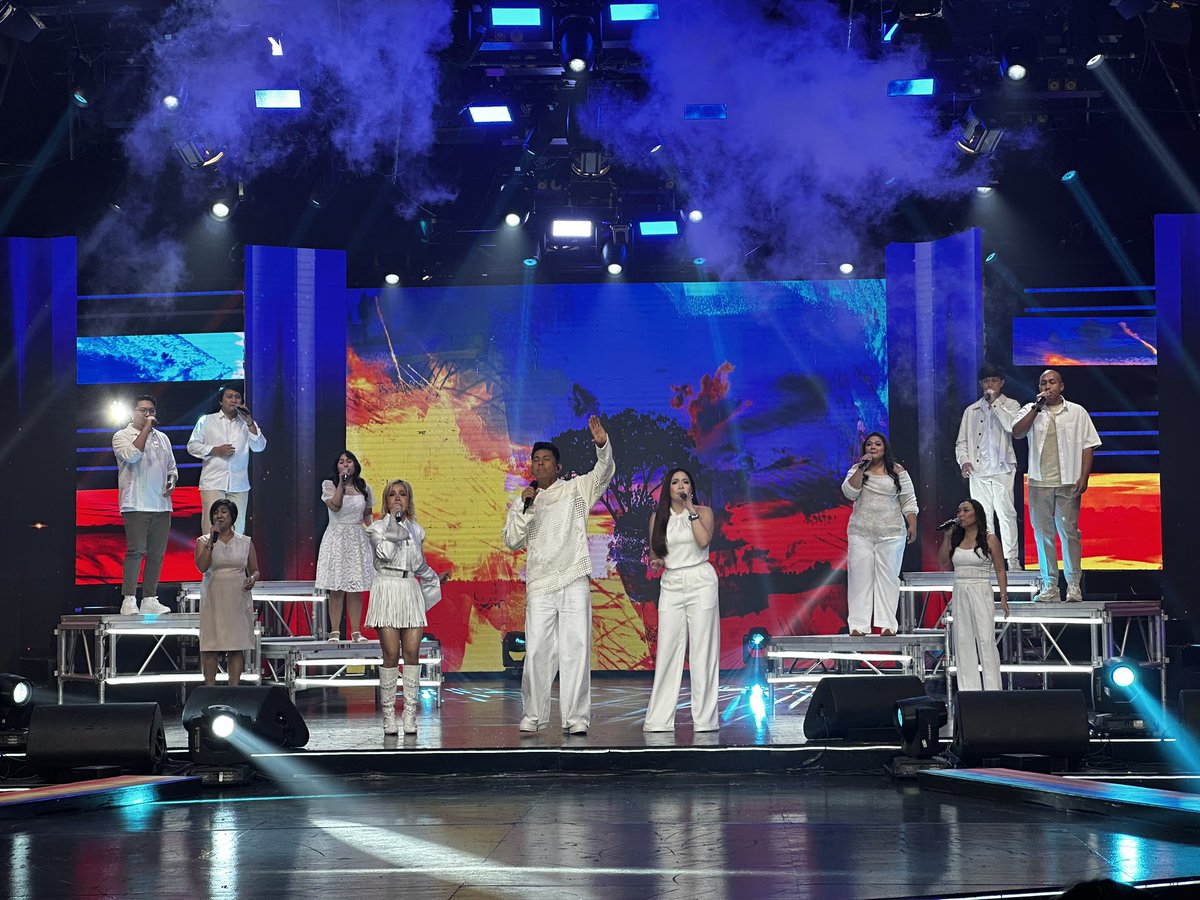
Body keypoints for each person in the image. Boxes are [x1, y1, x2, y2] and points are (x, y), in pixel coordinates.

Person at [503, 415, 614, 736]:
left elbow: (604, 472)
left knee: (576, 648)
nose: (539, 465)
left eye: (546, 460)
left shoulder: (576, 490)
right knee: (537, 650)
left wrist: (602, 445)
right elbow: (511, 540)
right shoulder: (523, 500)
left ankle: (576, 718)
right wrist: (526, 509)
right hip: (540, 582)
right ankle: (533, 714)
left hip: (574, 576)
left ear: (558, 466)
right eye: (535, 460)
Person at [1010, 369, 1102, 603]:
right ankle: (1050, 585)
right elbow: (1017, 432)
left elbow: (1088, 445)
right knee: (1043, 535)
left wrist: (1084, 475)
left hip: (1068, 480)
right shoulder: (1030, 410)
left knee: (1069, 533)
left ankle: (1073, 585)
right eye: (1042, 383)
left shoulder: (1076, 412)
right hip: (1040, 482)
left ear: (1061, 386)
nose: (1047, 386)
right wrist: (1035, 408)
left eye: (1051, 382)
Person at [644, 467, 720, 733]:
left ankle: (705, 721)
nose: (680, 486)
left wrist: (690, 509)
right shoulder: (658, 518)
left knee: (702, 650)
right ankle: (659, 720)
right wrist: (655, 563)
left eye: (685, 482)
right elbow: (656, 554)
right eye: (675, 482)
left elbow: (702, 541)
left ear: (691, 487)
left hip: (701, 580)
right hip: (672, 583)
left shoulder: (704, 512)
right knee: (668, 649)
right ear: (667, 488)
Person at [365, 479, 444, 735]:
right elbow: (385, 554)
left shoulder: (418, 531)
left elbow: (418, 564)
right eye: (392, 495)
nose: (397, 498)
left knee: (411, 653)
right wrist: (395, 525)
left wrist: (434, 578)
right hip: (387, 589)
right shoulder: (375, 528)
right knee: (390, 654)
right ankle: (388, 716)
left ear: (409, 500)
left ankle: (410, 714)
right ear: (386, 501)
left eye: (402, 495)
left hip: (409, 590)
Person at [841, 432, 918, 636]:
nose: (873, 447)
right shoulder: (857, 470)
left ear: (885, 448)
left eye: (877, 444)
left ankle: (887, 624)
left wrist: (912, 524)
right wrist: (861, 468)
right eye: (869, 444)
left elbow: (909, 500)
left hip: (891, 532)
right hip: (861, 531)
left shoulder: (898, 471)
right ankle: (858, 625)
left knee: (889, 578)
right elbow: (849, 493)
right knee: (859, 577)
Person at [112, 395, 176, 615]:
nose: (148, 415)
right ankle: (129, 599)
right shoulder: (121, 436)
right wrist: (146, 430)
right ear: (133, 413)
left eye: (151, 411)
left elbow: (171, 466)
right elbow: (131, 456)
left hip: (161, 504)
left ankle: (150, 597)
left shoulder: (163, 439)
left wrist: (172, 479)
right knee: (136, 551)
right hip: (136, 504)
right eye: (143, 411)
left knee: (157, 554)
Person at [955, 364, 1023, 571]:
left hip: (1002, 468)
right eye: (986, 381)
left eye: (994, 381)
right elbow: (961, 442)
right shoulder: (971, 410)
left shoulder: (1011, 405)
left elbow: (1012, 426)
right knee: (983, 516)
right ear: (981, 384)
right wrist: (964, 460)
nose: (989, 385)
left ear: (1001, 383)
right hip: (979, 471)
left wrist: (995, 404)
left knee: (1006, 514)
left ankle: (1012, 559)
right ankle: (989, 558)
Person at [938, 498, 1009, 692]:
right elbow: (943, 560)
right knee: (963, 641)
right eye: (959, 510)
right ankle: (969, 691)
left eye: (965, 510)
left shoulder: (989, 539)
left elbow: (1000, 570)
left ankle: (993, 690)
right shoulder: (955, 538)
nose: (961, 514)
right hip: (960, 589)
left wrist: (1003, 597)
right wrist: (946, 537)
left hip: (980, 588)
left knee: (985, 640)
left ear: (976, 514)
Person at [195, 499, 260, 687]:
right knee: (210, 646)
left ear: (232, 517)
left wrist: (253, 579)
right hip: (213, 594)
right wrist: (211, 542)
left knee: (235, 646)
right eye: (215, 512)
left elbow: (255, 569)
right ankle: (209, 689)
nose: (219, 516)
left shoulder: (245, 542)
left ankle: (234, 689)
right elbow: (202, 566)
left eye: (223, 512)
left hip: (237, 596)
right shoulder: (203, 541)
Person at [186, 384, 266, 535]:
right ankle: (211, 557)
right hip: (213, 482)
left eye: (237, 397)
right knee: (212, 527)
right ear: (221, 401)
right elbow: (192, 446)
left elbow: (259, 447)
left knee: (237, 529)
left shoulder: (246, 424)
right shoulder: (207, 420)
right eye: (229, 397)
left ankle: (233, 559)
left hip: (239, 484)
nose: (234, 400)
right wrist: (214, 450)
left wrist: (249, 422)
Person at [315, 451, 375, 642]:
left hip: (356, 537)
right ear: (337, 467)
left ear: (355, 465)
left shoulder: (364, 487)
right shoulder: (329, 485)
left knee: (356, 587)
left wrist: (376, 533)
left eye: (349, 461)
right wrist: (341, 483)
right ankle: (335, 631)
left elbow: (367, 515)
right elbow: (335, 506)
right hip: (337, 537)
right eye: (341, 462)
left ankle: (356, 631)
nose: (345, 464)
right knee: (337, 587)